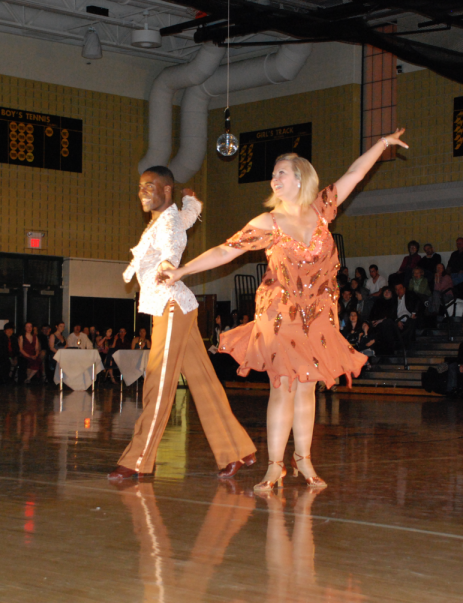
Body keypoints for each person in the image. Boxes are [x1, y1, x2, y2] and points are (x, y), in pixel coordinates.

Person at [161, 130, 409, 490]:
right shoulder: (268, 224)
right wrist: (182, 270)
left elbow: (355, 173)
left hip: (319, 316)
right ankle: (275, 465)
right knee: (284, 387)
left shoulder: (322, 209)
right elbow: (224, 251)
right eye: (274, 174)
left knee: (307, 389)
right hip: (282, 316)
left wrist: (382, 144)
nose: (274, 179)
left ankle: (304, 461)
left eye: (281, 173)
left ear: (300, 178)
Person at [112, 166, 257, 482]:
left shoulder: (166, 226)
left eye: (149, 186)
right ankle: (236, 449)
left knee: (158, 383)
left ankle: (138, 460)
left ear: (166, 190)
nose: (143, 192)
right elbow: (186, 219)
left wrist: (168, 264)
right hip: (176, 307)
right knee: (204, 382)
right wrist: (193, 203)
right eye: (140, 187)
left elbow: (173, 245)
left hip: (172, 307)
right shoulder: (166, 219)